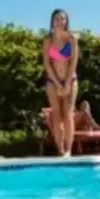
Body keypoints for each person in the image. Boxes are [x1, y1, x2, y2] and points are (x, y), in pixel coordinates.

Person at [43, 9, 80, 156]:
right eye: (57, 19)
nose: (60, 21)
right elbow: (46, 63)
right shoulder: (48, 40)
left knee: (68, 114)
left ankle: (69, 150)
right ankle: (61, 150)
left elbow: (74, 62)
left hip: (70, 79)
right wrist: (58, 84)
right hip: (53, 81)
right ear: (52, 21)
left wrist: (66, 83)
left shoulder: (71, 40)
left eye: (63, 19)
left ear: (66, 21)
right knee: (56, 115)